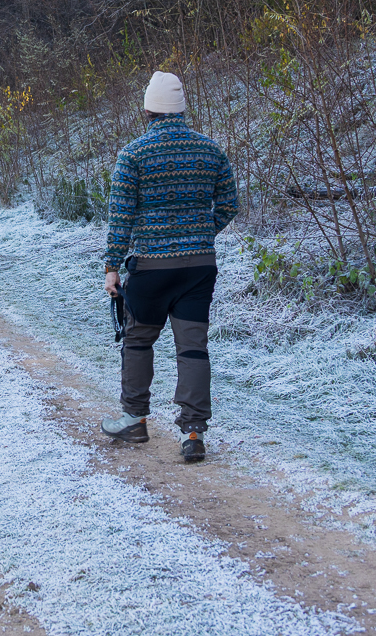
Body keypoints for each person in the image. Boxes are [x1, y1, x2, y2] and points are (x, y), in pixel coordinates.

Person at [101, 71, 238, 463]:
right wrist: (199, 232)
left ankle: (134, 419)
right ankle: (194, 432)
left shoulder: (134, 155)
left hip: (151, 267)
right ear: (180, 108)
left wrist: (112, 266)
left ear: (148, 108)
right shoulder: (211, 151)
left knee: (138, 339)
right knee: (192, 347)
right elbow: (229, 205)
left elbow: (121, 217)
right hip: (199, 267)